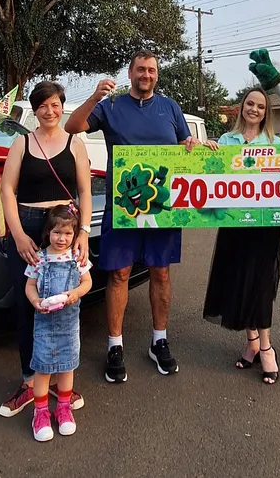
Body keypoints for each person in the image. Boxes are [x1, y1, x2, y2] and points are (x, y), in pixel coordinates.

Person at [64, 49, 215, 383]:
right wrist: (94, 96)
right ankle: (114, 345)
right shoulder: (111, 106)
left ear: (156, 75)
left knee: (160, 273)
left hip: (163, 206)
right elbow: (73, 127)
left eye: (151, 70)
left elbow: (182, 145)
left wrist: (190, 145)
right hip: (124, 205)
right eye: (140, 70)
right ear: (130, 73)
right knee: (119, 274)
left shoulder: (170, 107)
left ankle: (158, 340)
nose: (146, 75)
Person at [0, 81, 92, 417]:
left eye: (55, 104)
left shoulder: (74, 143)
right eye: (42, 106)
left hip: (65, 227)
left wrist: (82, 232)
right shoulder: (21, 143)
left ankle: (57, 381)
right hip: (27, 223)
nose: (49, 111)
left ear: (61, 105)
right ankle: (29, 381)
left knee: (65, 305)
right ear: (34, 110)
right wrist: (19, 234)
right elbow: (6, 190)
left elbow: (84, 189)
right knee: (29, 304)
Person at [202, 87, 280, 384]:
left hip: (265, 227)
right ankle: (252, 342)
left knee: (260, 284)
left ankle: (266, 346)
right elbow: (211, 175)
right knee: (239, 280)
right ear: (242, 106)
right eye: (250, 104)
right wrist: (204, 155)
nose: (254, 109)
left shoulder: (277, 144)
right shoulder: (224, 141)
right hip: (235, 224)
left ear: (266, 112)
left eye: (260, 106)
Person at [23, 205, 93, 442]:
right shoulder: (40, 258)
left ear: (74, 235)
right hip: (43, 323)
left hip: (69, 324)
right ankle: (40, 413)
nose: (62, 239)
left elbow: (87, 282)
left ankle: (63, 407)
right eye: (57, 233)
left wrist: (76, 293)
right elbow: (30, 285)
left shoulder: (77, 257)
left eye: (67, 234)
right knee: (42, 368)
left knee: (67, 366)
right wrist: (35, 301)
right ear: (48, 232)